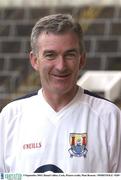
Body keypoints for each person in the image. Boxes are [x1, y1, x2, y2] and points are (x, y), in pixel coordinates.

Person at [0, 13, 121, 173]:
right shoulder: (10, 117)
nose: (61, 66)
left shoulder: (109, 117)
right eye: (50, 55)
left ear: (82, 59)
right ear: (34, 60)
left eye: (69, 55)